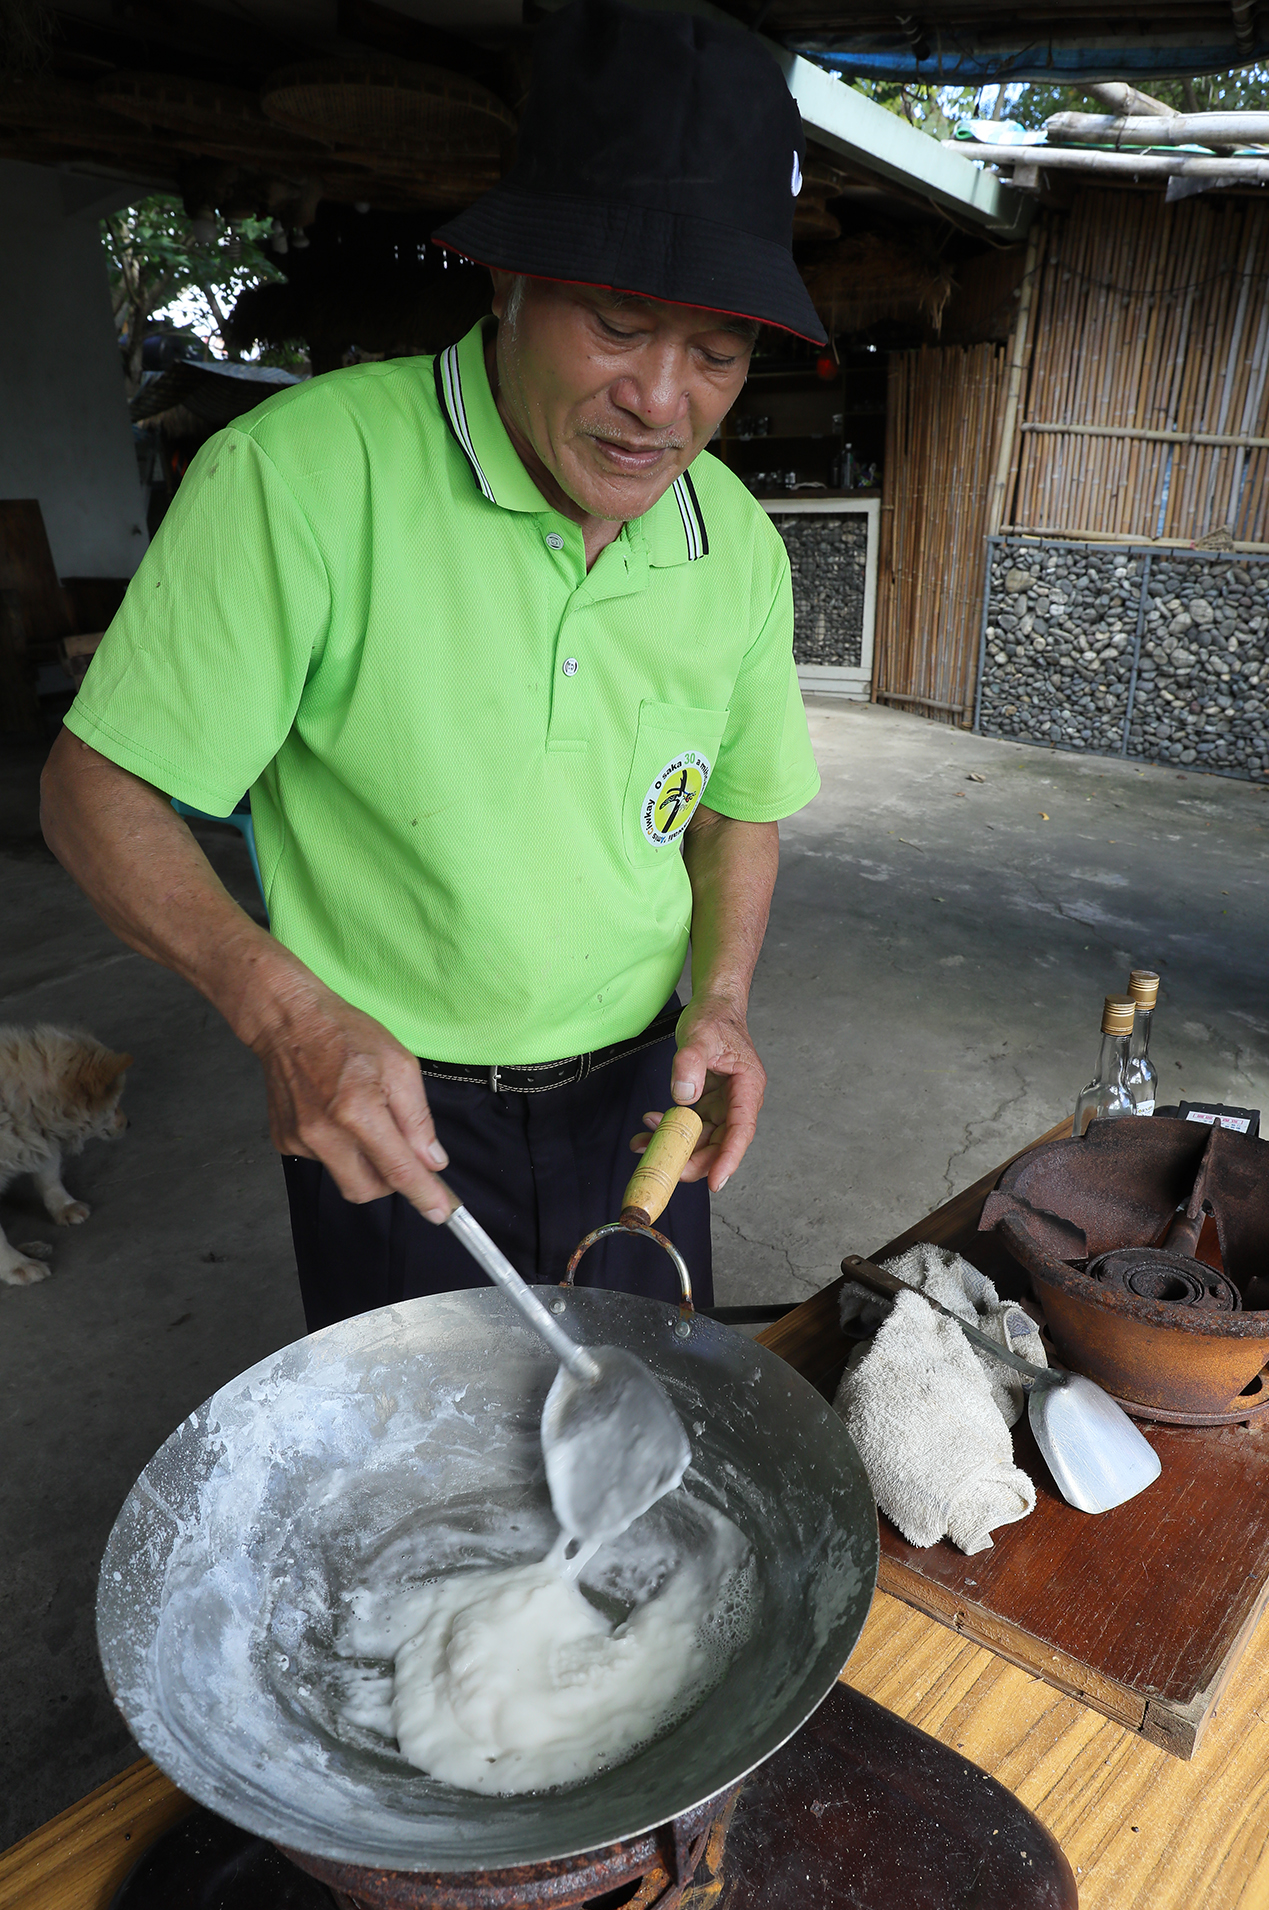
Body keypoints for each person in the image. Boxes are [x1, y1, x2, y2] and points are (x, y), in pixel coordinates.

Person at [40, 0, 827, 1332]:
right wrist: (285, 1017)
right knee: (419, 1435)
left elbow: (739, 807)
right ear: (507, 283)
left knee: (641, 1404)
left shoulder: (736, 542)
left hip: (646, 1098)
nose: (661, 401)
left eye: (716, 351)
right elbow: (90, 792)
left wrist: (727, 1003)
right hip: (390, 1102)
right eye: (618, 325)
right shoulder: (300, 476)